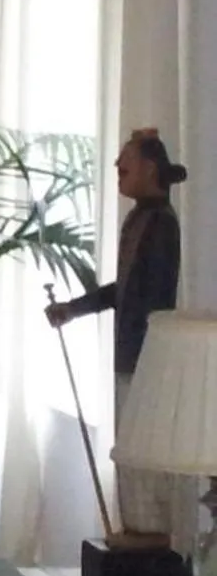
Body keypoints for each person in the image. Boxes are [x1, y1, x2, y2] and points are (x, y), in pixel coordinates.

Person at [46, 128, 188, 535]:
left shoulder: (161, 224)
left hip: (147, 361)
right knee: (130, 454)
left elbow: (155, 300)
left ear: (148, 168)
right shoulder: (140, 219)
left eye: (126, 160)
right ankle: (137, 532)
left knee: (141, 455)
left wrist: (150, 359)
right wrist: (72, 309)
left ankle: (149, 536)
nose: (117, 168)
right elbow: (124, 291)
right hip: (132, 357)